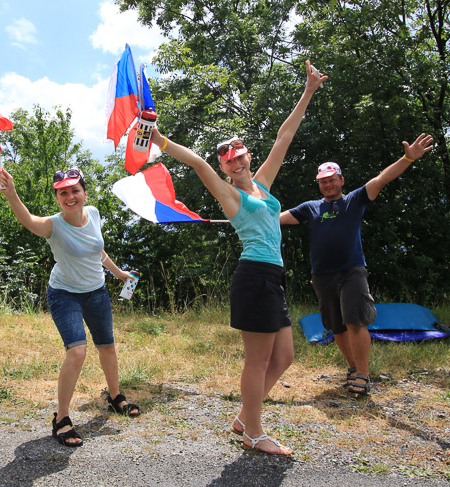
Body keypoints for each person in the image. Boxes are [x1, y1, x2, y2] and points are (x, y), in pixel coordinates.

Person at [148, 61, 326, 455]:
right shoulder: (232, 196)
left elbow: (284, 136)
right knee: (258, 361)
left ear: (247, 156)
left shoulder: (262, 185)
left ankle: (246, 416)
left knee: (285, 356)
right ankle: (254, 432)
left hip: (272, 278)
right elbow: (196, 162)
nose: (237, 162)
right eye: (230, 161)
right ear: (226, 169)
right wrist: (161, 140)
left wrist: (308, 90)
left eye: (240, 155)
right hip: (254, 276)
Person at [0, 166, 140, 447]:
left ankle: (115, 397)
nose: (70, 196)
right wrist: (11, 194)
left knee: (107, 346)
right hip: (64, 294)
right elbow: (27, 220)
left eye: (75, 190)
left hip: (96, 291)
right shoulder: (54, 225)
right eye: (63, 193)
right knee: (77, 351)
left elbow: (97, 250)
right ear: (58, 198)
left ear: (84, 193)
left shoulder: (95, 213)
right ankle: (61, 418)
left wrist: (119, 272)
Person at [280, 134, 434, 395]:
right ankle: (352, 368)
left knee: (355, 321)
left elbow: (382, 179)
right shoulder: (310, 208)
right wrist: (243, 214)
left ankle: (363, 374)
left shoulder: (354, 200)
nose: (328, 185)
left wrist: (408, 158)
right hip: (322, 275)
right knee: (336, 326)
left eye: (331, 180)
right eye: (323, 181)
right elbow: (275, 219)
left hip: (352, 271)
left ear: (341, 180)